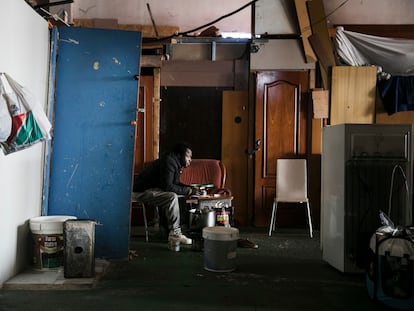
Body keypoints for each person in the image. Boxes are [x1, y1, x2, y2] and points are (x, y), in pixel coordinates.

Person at [133, 142, 193, 246]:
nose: (190, 160)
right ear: (179, 155)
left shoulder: (175, 163)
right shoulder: (169, 162)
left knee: (177, 195)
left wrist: (190, 188)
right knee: (171, 197)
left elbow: (175, 184)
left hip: (152, 190)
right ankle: (175, 233)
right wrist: (188, 191)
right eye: (188, 156)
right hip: (140, 192)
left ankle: (171, 229)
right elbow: (168, 187)